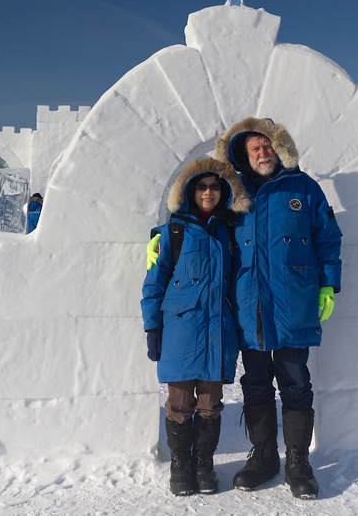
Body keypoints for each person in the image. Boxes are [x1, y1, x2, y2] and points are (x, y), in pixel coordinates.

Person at [215, 117, 342, 500]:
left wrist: (328, 285)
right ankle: (265, 457)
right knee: (254, 382)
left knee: (294, 381)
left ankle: (298, 462)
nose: (262, 152)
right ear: (242, 154)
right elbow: (198, 218)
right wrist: (161, 239)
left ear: (279, 147)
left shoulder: (303, 187)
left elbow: (328, 237)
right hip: (249, 303)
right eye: (254, 148)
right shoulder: (232, 192)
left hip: (294, 301)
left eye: (267, 145)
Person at [141, 157, 250, 496]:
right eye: (201, 187)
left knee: (210, 402)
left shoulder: (230, 230)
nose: (208, 192)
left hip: (217, 330)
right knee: (179, 402)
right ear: (190, 191)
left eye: (214, 187)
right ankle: (180, 464)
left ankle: (203, 463)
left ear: (223, 191)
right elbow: (154, 282)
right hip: (181, 330)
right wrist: (153, 328)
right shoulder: (174, 230)